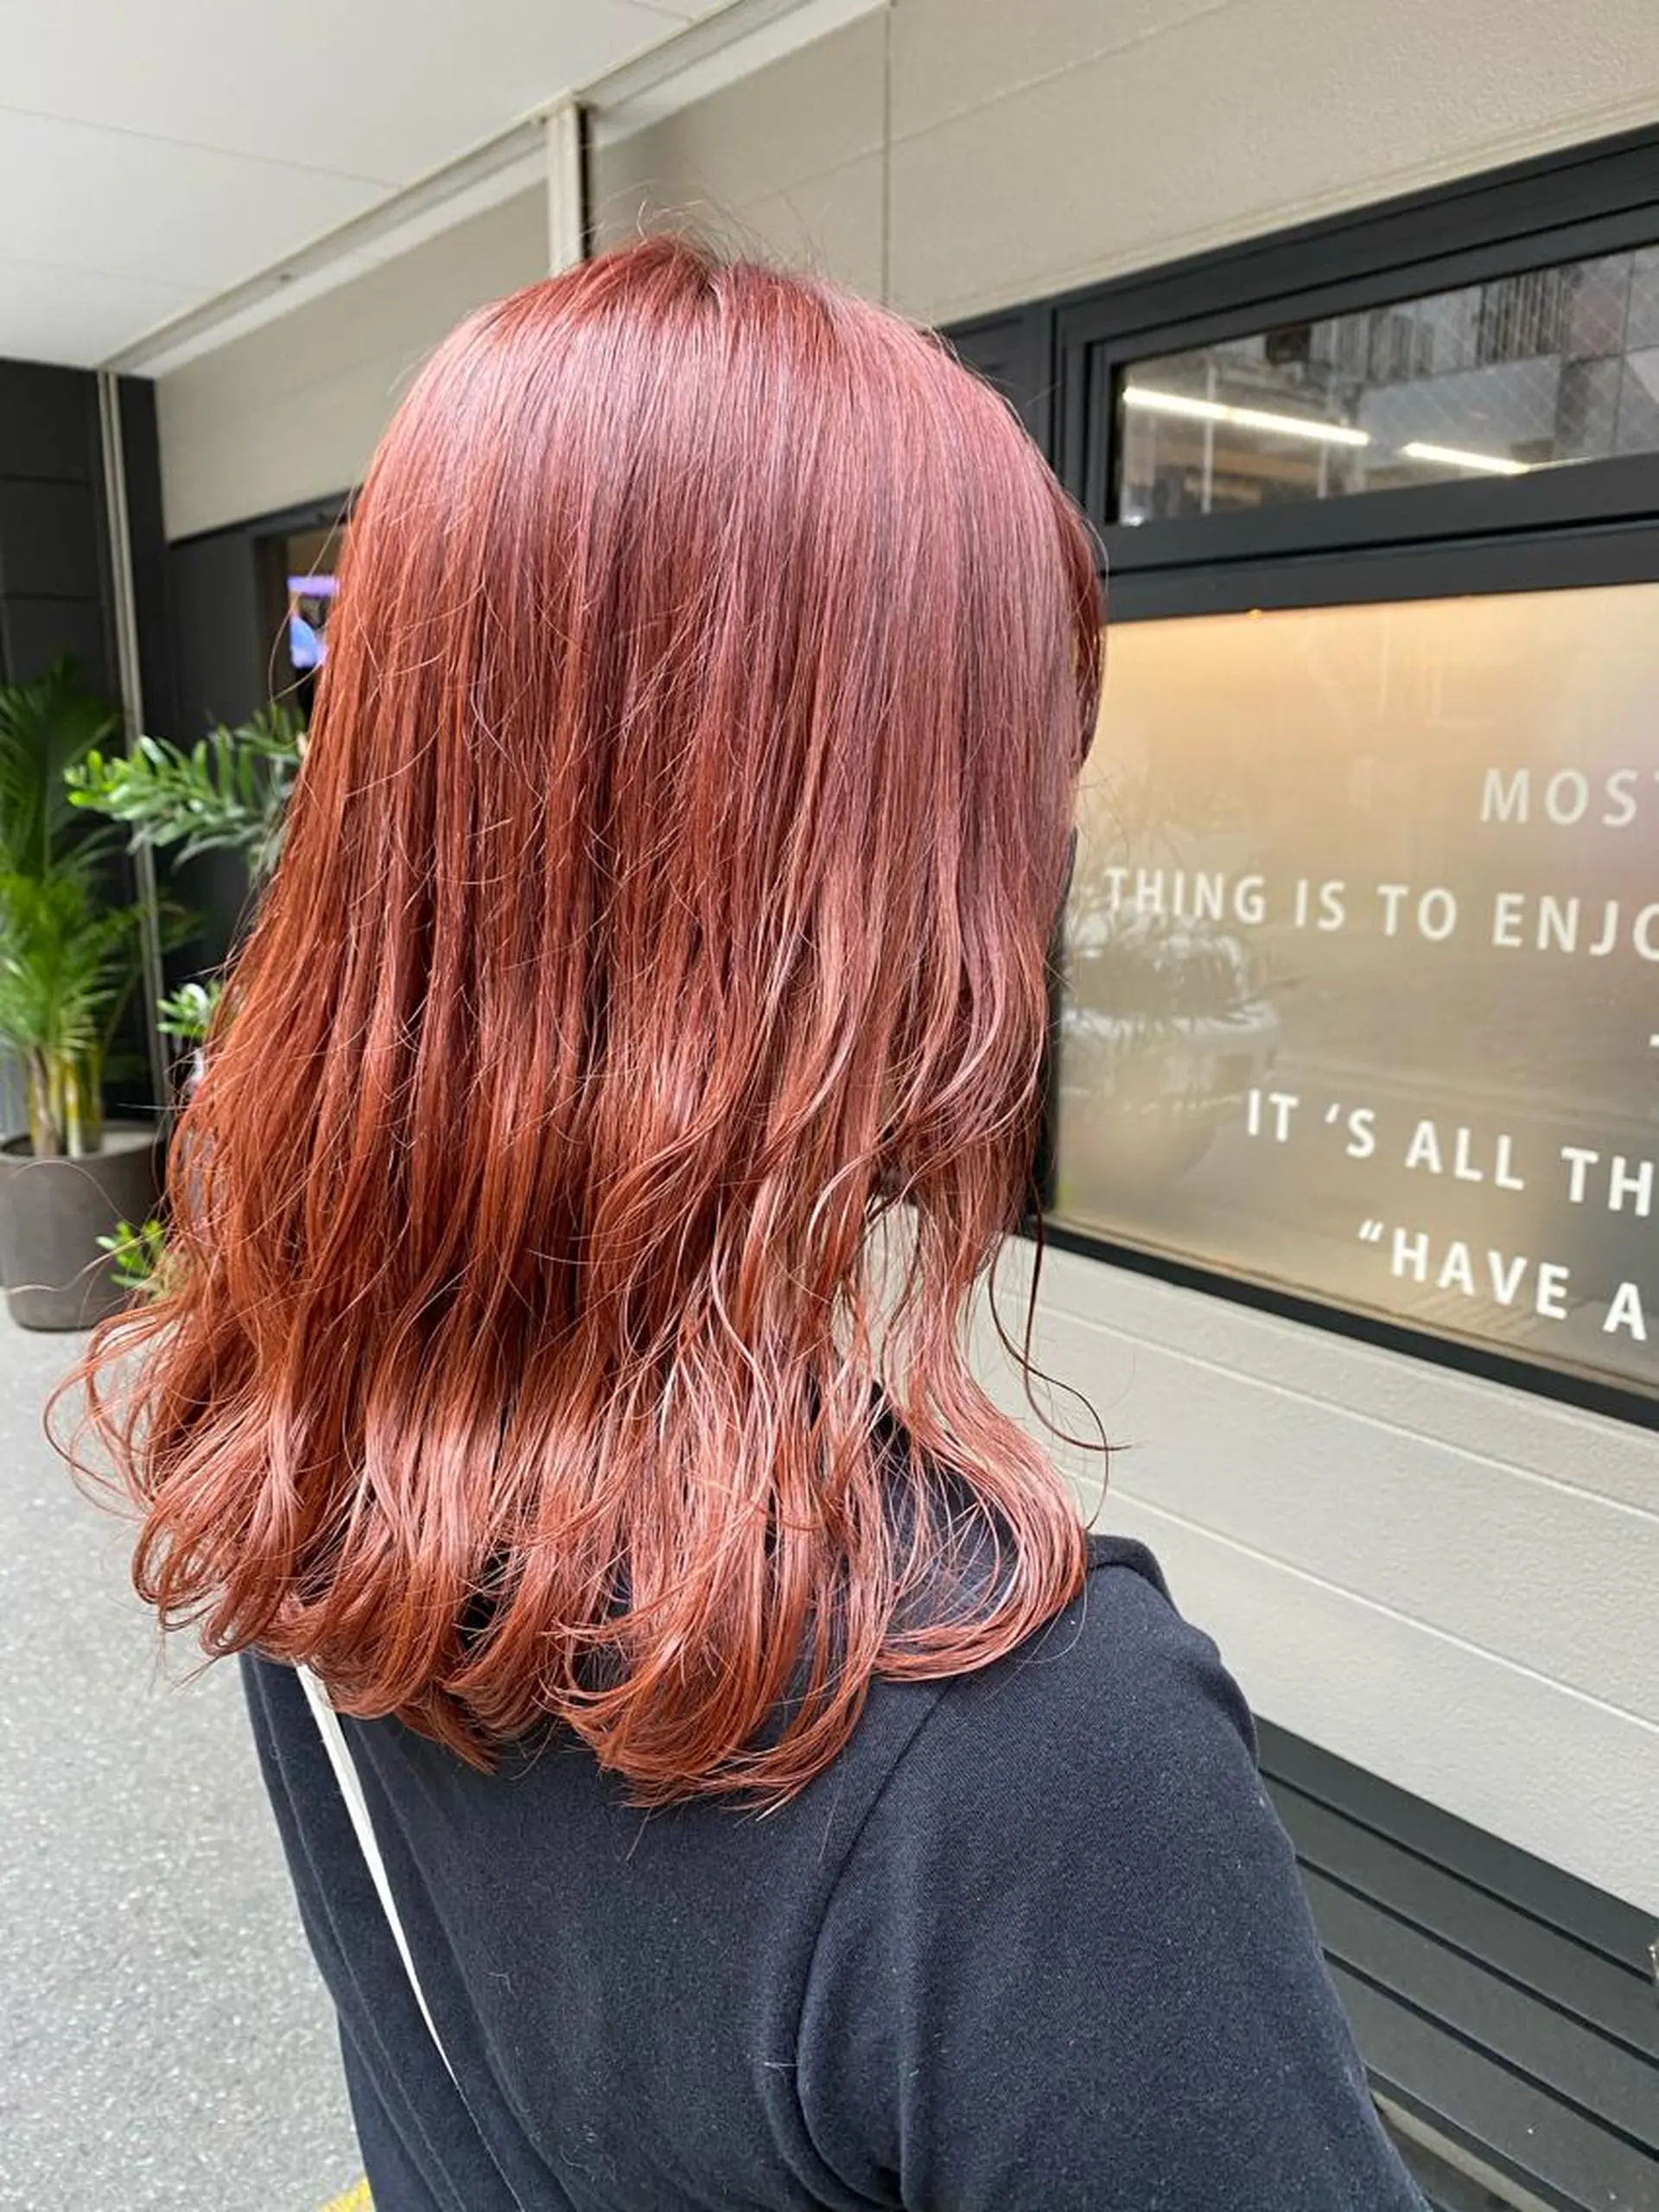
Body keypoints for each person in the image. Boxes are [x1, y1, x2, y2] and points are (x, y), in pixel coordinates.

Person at [72, 237, 1425, 2209]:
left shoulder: (305, 1431)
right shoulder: (1017, 1759)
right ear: (870, 882)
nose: (1050, 851)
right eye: (1017, 776)